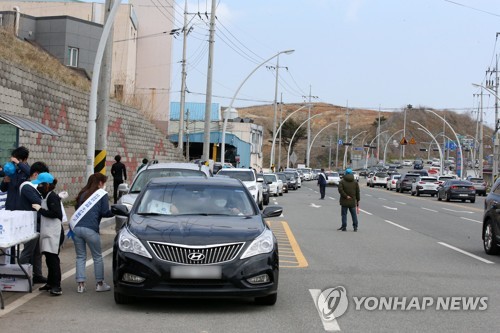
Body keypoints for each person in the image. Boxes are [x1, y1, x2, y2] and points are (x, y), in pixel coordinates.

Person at [71, 173, 114, 293]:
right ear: (100, 183)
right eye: (104, 182)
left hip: (76, 229)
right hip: (90, 229)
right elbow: (105, 212)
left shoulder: (82, 194)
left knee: (80, 256)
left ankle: (80, 285)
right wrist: (115, 211)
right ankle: (100, 284)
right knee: (97, 257)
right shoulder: (101, 195)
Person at [31, 173, 64, 296]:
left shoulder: (52, 197)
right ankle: (50, 283)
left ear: (47, 185)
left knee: (53, 259)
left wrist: (40, 210)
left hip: (54, 233)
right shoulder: (45, 196)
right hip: (48, 231)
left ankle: (57, 286)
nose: (38, 186)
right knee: (49, 260)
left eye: (40, 184)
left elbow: (56, 213)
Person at [18, 161, 50, 283]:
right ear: (36, 175)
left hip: (36, 223)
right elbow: (38, 201)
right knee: (28, 251)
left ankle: (37, 275)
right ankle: (22, 276)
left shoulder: (34, 187)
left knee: (37, 251)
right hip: (29, 224)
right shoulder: (27, 186)